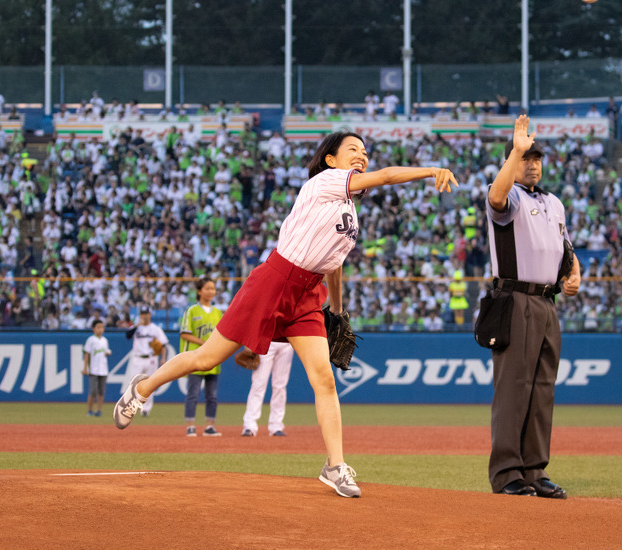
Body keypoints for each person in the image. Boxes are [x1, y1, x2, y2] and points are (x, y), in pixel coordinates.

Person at [114, 131, 458, 498]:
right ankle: (142, 387)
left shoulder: (349, 211)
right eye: (352, 150)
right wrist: (430, 170)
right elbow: (387, 177)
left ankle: (335, 466)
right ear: (331, 160)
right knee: (206, 357)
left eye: (365, 151)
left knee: (323, 378)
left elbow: (334, 265)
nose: (362, 155)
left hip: (308, 294)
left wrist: (337, 310)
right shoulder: (324, 182)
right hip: (273, 280)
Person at [484, 115, 581, 499]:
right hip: (515, 299)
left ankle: (534, 469)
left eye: (537, 157)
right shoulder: (508, 198)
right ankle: (507, 471)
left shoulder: (554, 202)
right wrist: (515, 151)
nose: (533, 163)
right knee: (513, 387)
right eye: (526, 158)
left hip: (546, 302)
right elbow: (495, 197)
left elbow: (566, 250)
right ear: (512, 162)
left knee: (542, 389)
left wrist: (575, 275)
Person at [180, 278, 224, 437]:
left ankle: (210, 426)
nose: (211, 291)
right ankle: (190, 426)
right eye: (207, 288)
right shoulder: (191, 310)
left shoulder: (218, 313)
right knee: (193, 394)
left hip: (213, 360)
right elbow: (184, 333)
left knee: (212, 396)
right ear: (199, 291)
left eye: (213, 288)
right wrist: (204, 343)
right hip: (195, 358)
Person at [242, 341, 295, 437]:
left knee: (280, 386)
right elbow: (254, 324)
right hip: (267, 341)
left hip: (286, 342)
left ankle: (276, 425)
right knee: (258, 384)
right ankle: (249, 425)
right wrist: (249, 343)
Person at [124, 306, 168, 417]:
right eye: (142, 313)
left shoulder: (155, 329)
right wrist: (137, 325)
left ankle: (146, 409)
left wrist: (163, 358)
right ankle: (132, 407)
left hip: (151, 358)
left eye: (146, 313)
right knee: (134, 384)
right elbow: (127, 336)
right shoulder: (136, 327)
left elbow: (163, 344)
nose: (144, 316)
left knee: (149, 385)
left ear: (150, 315)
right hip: (138, 358)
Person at [82, 319, 112, 417]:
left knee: (101, 391)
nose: (101, 329)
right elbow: (87, 354)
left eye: (102, 327)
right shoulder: (91, 340)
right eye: (98, 327)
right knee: (92, 391)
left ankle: (99, 410)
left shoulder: (105, 341)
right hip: (94, 369)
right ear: (93, 328)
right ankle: (89, 410)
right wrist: (85, 368)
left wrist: (107, 353)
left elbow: (105, 352)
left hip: (103, 369)